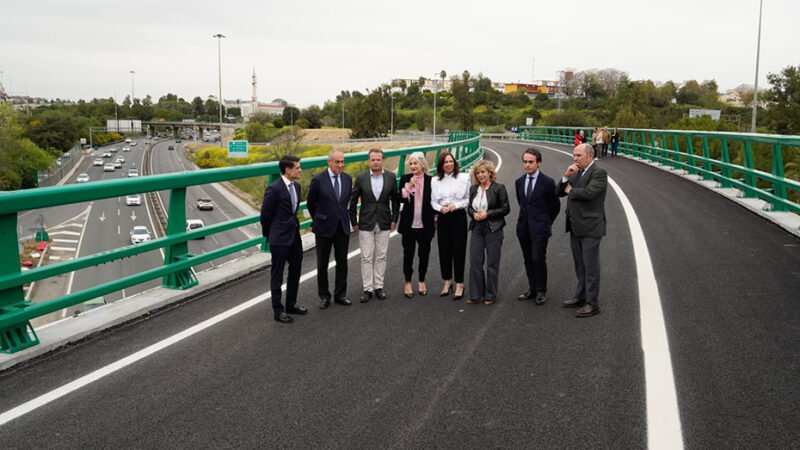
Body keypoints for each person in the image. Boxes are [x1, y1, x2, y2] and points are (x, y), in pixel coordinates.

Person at [557, 143, 608, 318]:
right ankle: (581, 295)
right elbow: (559, 192)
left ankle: (592, 304)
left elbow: (589, 193)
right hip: (575, 225)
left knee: (591, 266)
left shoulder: (599, 173)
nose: (575, 158)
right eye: (574, 155)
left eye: (578, 155)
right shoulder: (576, 172)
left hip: (591, 226)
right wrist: (565, 177)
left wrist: (570, 190)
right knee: (580, 265)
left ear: (589, 156)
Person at [259, 155, 307, 323]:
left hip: (294, 236)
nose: (300, 170)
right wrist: (270, 235)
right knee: (277, 274)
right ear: (287, 170)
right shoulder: (274, 189)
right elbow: (265, 215)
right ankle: (278, 310)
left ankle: (291, 304)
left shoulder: (297, 187)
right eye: (297, 167)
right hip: (279, 238)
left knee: (296, 270)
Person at [349, 149, 399, 303]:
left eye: (378, 159)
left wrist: (394, 218)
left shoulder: (390, 177)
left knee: (381, 256)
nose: (375, 162)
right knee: (366, 256)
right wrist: (354, 222)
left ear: (383, 160)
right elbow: (353, 201)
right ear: (369, 161)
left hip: (384, 221)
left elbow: (395, 199)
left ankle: (378, 286)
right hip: (365, 222)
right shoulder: (361, 177)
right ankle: (367, 289)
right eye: (372, 160)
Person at [307, 150, 353, 309]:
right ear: (329, 162)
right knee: (322, 264)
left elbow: (345, 202)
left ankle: (340, 295)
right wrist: (320, 219)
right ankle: (324, 296)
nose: (340, 165)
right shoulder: (318, 180)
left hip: (342, 227)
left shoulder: (347, 179)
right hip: (324, 228)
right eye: (337, 162)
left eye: (342, 162)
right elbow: (310, 203)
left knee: (342, 263)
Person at [515, 148, 560, 305]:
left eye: (531, 162)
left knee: (538, 258)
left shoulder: (548, 183)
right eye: (525, 162)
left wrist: (546, 221)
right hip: (523, 227)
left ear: (538, 163)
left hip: (540, 228)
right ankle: (532, 288)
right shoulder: (519, 182)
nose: (527, 165)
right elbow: (522, 203)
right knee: (528, 259)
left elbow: (555, 206)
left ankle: (541, 290)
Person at [466, 160, 510, 305]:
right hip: (477, 228)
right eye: (478, 173)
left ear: (490, 173)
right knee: (475, 261)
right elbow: (469, 208)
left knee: (492, 262)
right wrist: (473, 214)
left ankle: (490, 295)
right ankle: (475, 294)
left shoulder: (499, 188)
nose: (480, 175)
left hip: (493, 228)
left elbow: (505, 209)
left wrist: (488, 214)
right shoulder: (473, 189)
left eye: (483, 172)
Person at [430, 151, 471, 300]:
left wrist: (456, 204)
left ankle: (459, 283)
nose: (449, 164)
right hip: (443, 217)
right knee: (444, 250)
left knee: (459, 250)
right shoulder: (435, 180)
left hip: (458, 216)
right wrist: (441, 208)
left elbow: (468, 199)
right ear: (441, 165)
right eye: (445, 162)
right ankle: (447, 281)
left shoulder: (464, 178)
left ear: (454, 163)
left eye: (451, 161)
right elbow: (433, 201)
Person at [398, 152, 435, 298]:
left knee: (424, 254)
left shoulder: (431, 180)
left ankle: (421, 281)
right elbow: (401, 199)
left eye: (415, 163)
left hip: (425, 224)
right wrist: (409, 186)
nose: (413, 166)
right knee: (408, 254)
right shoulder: (405, 179)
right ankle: (407, 282)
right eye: (411, 164)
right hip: (409, 225)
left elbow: (434, 201)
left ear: (422, 164)